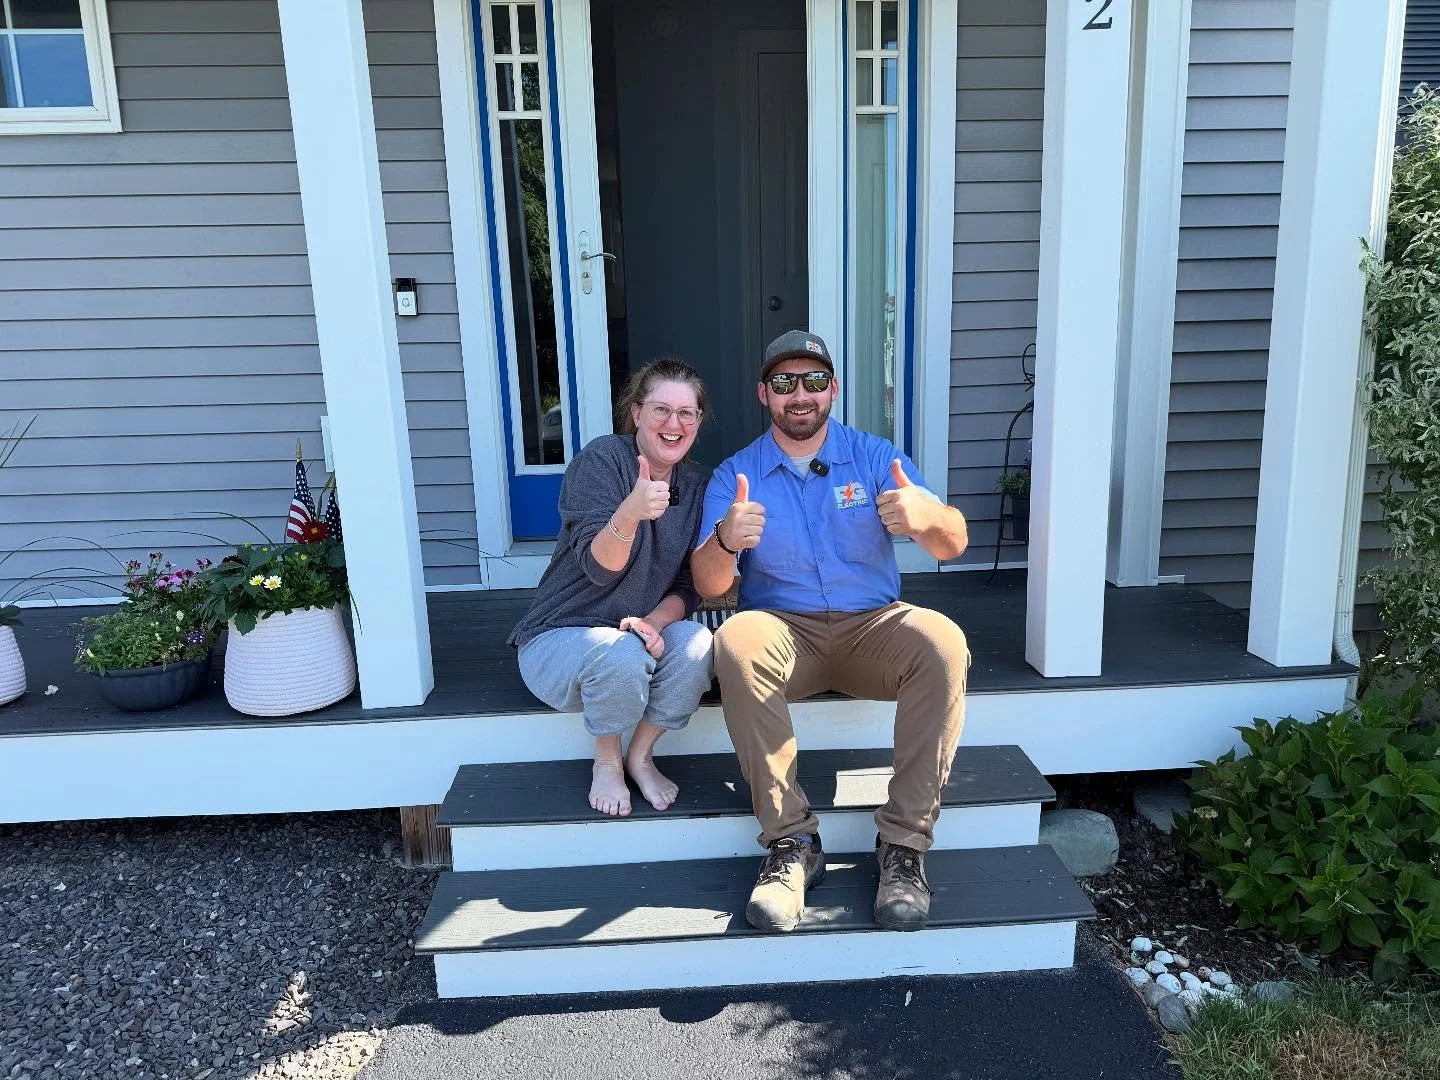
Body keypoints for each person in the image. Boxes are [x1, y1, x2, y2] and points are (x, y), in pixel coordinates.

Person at [691, 330, 971, 934]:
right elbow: (711, 585)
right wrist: (724, 539)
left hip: (874, 627)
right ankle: (791, 844)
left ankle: (903, 848)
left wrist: (927, 518)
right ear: (765, 393)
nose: (801, 395)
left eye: (814, 382)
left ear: (833, 390)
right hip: (786, 632)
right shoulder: (736, 473)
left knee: (943, 641)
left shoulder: (874, 457)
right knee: (736, 640)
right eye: (785, 383)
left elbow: (954, 541)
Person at [509, 359, 715, 817]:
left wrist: (654, 623)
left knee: (699, 643)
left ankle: (640, 754)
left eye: (687, 413)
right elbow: (600, 570)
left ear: (699, 422)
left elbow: (689, 584)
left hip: (634, 636)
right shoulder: (602, 461)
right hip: (561, 636)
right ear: (637, 412)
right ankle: (607, 761)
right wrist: (629, 512)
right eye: (661, 409)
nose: (674, 424)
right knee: (618, 653)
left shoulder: (699, 485)